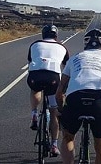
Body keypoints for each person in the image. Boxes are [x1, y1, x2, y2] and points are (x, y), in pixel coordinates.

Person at [56, 29, 101, 164]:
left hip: (75, 99)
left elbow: (60, 91)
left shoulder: (75, 58)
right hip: (100, 101)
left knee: (68, 138)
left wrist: (61, 109)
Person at [27, 24, 70, 156]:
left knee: (35, 90)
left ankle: (34, 113)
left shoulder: (34, 44)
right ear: (56, 36)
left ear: (43, 34)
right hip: (53, 77)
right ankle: (54, 145)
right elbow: (67, 68)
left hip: (35, 75)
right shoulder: (62, 47)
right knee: (54, 112)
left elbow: (30, 61)